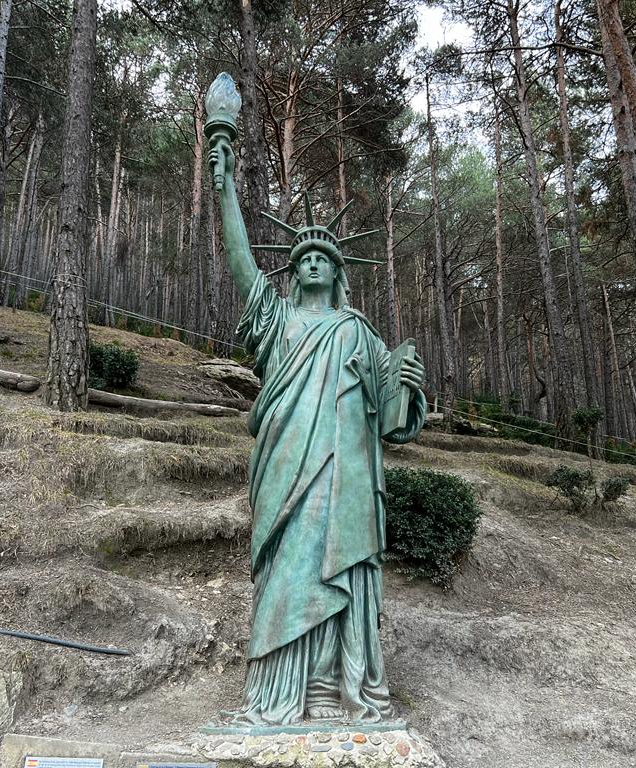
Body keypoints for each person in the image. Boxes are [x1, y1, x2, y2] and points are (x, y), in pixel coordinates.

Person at [209, 139, 427, 726]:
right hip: (285, 464)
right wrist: (225, 186)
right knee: (291, 570)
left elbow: (392, 411)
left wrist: (405, 382)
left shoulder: (357, 331)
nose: (311, 262)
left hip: (345, 470)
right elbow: (241, 266)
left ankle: (333, 688)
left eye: (322, 257)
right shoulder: (276, 321)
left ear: (336, 272)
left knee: (341, 565)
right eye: (302, 256)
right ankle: (277, 696)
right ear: (294, 269)